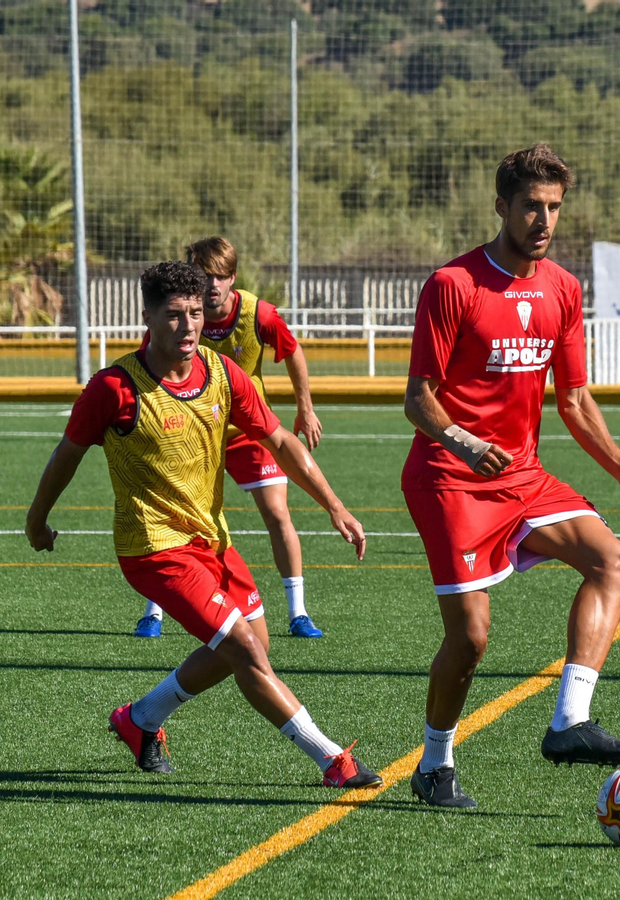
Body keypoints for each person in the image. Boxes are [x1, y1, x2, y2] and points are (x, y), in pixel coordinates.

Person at [25, 261, 379, 788]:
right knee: (244, 649)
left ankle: (140, 719)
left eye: (195, 313)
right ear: (146, 316)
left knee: (248, 643)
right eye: (174, 315)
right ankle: (333, 760)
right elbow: (67, 454)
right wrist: (37, 520)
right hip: (153, 547)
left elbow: (280, 441)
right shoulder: (114, 388)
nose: (188, 326)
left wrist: (334, 504)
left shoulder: (220, 372)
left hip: (211, 541)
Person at [401, 143, 620, 809]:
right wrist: (462, 441)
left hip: (522, 476)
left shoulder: (562, 288)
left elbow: (574, 402)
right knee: (469, 638)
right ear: (502, 206)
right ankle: (435, 763)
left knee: (613, 561)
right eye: (531, 205)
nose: (544, 219)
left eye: (554, 206)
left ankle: (568, 723)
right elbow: (418, 398)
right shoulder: (453, 285)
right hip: (449, 476)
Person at [135, 237, 327, 640]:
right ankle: (154, 613)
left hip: (247, 430)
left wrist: (305, 408)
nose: (212, 286)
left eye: (220, 277)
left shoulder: (260, 314)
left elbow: (293, 351)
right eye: (205, 276)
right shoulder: (178, 316)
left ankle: (298, 612)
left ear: (233, 278)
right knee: (178, 518)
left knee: (278, 515)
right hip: (192, 432)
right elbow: (147, 363)